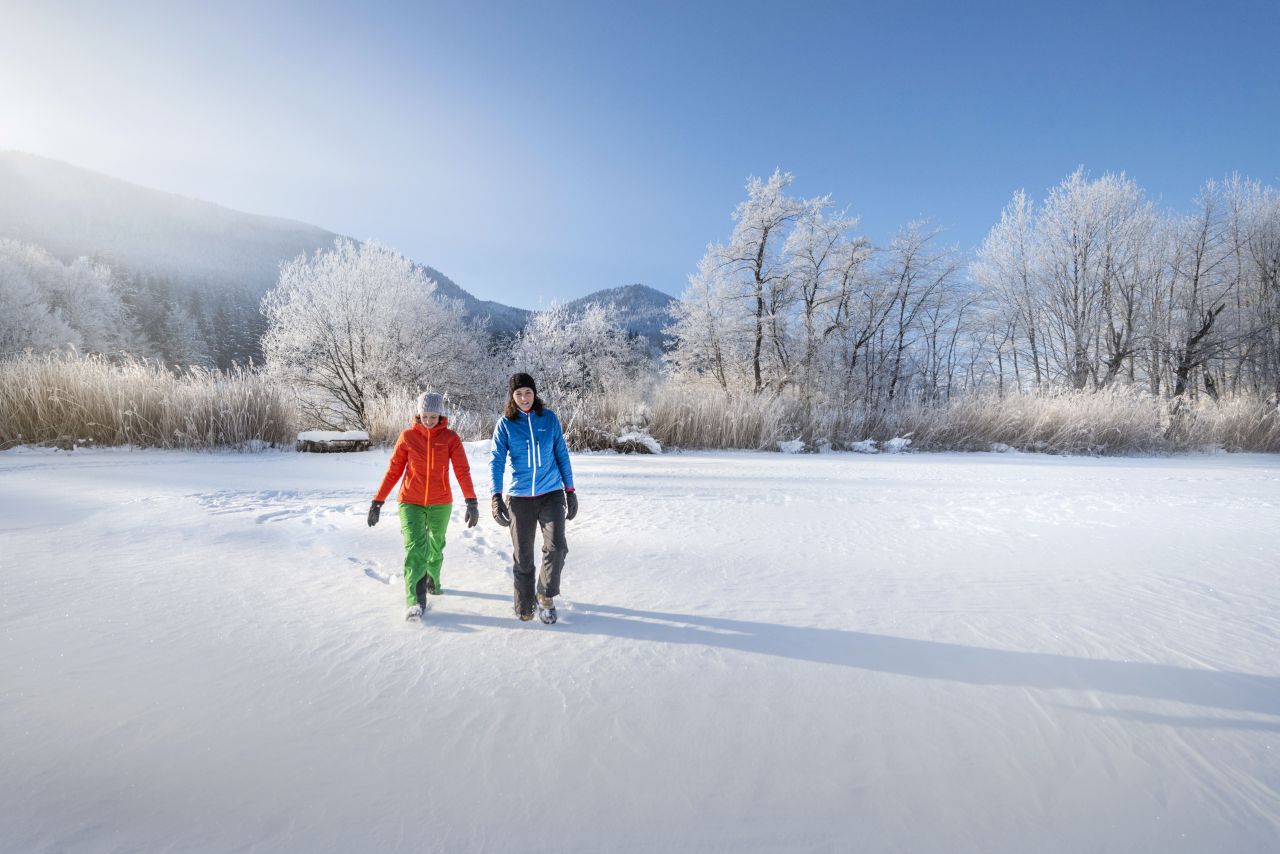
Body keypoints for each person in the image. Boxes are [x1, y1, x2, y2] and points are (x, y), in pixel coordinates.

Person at [368, 392, 479, 620]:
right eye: (425, 415)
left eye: (433, 416)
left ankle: (432, 578)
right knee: (415, 549)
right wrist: (378, 501)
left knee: (436, 545)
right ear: (418, 414)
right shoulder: (408, 437)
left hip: (441, 501)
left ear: (441, 415)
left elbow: (462, 470)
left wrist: (471, 501)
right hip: (410, 501)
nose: (429, 420)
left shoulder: (450, 438)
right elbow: (394, 470)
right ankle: (415, 601)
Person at [489, 373, 578, 623]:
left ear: (534, 393)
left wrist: (570, 490)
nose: (524, 398)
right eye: (518, 394)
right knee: (523, 555)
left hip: (551, 493)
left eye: (528, 392)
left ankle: (545, 596)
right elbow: (496, 461)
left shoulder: (548, 419)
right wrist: (496, 496)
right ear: (512, 397)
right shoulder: (505, 424)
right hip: (520, 497)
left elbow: (561, 453)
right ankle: (524, 602)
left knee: (557, 546)